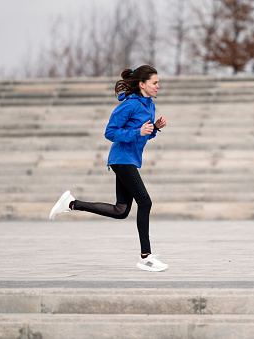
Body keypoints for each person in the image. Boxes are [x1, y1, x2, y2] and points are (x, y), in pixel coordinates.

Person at [49, 65, 168, 272]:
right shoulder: (129, 105)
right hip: (122, 158)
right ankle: (146, 257)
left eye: (158, 82)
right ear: (142, 84)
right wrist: (137, 131)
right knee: (145, 202)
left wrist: (154, 129)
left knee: (121, 211)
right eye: (155, 82)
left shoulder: (149, 105)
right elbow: (110, 132)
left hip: (130, 158)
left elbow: (143, 134)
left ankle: (71, 204)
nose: (158, 86)